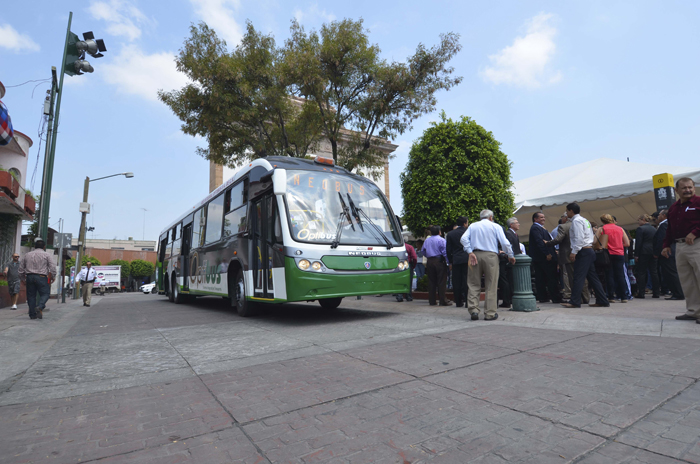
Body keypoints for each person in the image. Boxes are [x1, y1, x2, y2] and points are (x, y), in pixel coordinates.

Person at [461, 210, 515, 321]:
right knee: (491, 284)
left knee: (473, 284)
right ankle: (490, 313)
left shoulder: (473, 225)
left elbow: (463, 239)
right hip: (491, 256)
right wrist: (510, 255)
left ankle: (474, 310)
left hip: (475, 255)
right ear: (490, 217)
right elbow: (505, 243)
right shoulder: (495, 226)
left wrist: (470, 252)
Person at [661, 178, 700, 322]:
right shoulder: (673, 208)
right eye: (684, 188)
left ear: (694, 188)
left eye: (690, 187)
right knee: (687, 280)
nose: (687, 190)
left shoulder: (698, 202)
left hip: (697, 243)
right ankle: (693, 311)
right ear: (676, 191)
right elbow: (670, 228)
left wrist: (696, 232)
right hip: (680, 246)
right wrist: (666, 245)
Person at [560, 203, 609, 308]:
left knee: (578, 276)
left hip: (583, 251)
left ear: (571, 211)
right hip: (589, 250)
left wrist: (574, 251)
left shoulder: (576, 221)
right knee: (592, 277)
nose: (567, 213)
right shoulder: (584, 220)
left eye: (567, 211)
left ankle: (575, 301)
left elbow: (579, 237)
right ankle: (602, 299)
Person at [545, 215, 590, 304]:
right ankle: (586, 297)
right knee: (582, 277)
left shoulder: (563, 226)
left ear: (565, 218)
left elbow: (558, 239)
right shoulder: (582, 223)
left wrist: (547, 243)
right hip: (581, 253)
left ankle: (576, 298)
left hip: (568, 255)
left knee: (572, 277)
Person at [18, 238, 56, 320]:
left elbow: (21, 269)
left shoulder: (27, 255)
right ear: (44, 247)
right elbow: (52, 267)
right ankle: (40, 306)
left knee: (31, 296)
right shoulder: (47, 255)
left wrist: (23, 279)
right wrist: (53, 276)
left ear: (34, 246)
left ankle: (32, 315)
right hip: (41, 277)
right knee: (45, 294)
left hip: (29, 276)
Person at [528, 212, 561, 303]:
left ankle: (543, 297)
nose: (544, 219)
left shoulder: (540, 228)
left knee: (541, 277)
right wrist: (547, 253)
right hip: (544, 257)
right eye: (541, 217)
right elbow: (539, 242)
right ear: (535, 219)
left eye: (544, 217)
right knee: (551, 277)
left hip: (541, 257)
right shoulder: (535, 228)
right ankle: (555, 297)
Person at [653, 209, 684, 301]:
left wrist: (657, 252)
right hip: (671, 251)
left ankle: (678, 293)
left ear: (664, 216)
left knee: (671, 273)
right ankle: (677, 292)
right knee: (671, 273)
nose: (658, 217)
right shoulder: (667, 224)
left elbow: (662, 240)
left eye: (659, 215)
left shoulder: (664, 225)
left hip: (667, 253)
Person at [599, 214, 630, 303]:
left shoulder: (602, 229)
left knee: (609, 275)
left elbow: (595, 240)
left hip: (607, 254)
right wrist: (619, 245)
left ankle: (611, 296)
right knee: (620, 275)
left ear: (602, 221)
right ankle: (624, 296)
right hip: (619, 253)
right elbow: (627, 243)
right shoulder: (620, 229)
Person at [423, 226, 451, 306]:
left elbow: (423, 251)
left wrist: (428, 256)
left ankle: (432, 301)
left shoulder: (427, 240)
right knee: (441, 281)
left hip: (430, 261)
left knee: (431, 281)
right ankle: (442, 300)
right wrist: (448, 263)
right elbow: (445, 252)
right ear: (439, 232)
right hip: (439, 261)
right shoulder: (441, 240)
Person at [634, 214, 660, 299]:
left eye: (639, 220)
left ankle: (641, 293)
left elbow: (639, 243)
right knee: (654, 272)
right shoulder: (654, 228)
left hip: (643, 252)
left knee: (642, 272)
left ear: (643, 219)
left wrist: (636, 255)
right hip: (653, 251)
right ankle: (656, 292)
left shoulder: (640, 229)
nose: (638, 222)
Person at [446, 217, 469, 308]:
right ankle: (468, 301)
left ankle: (458, 301)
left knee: (456, 281)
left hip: (456, 259)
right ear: (464, 223)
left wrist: (450, 261)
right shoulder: (468, 232)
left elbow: (448, 249)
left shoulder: (450, 234)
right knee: (467, 280)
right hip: (467, 258)